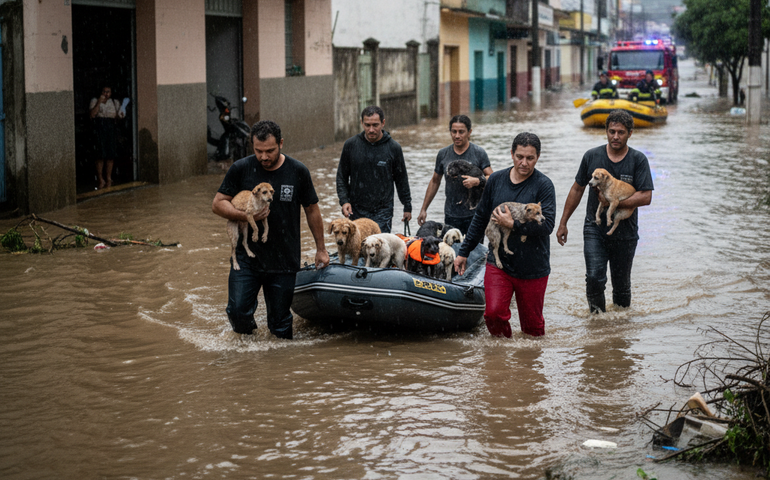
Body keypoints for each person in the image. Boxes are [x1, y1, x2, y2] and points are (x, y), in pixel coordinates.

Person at [212, 120, 329, 339]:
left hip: (284, 259)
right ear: (252, 145)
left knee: (280, 323)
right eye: (258, 151)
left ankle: (280, 368)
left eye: (270, 151)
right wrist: (246, 216)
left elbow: (312, 210)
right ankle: (250, 353)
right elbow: (218, 203)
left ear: (281, 144)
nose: (264, 157)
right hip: (248, 258)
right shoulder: (241, 168)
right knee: (238, 312)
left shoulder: (297, 171)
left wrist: (321, 248)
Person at [454, 132, 555, 338]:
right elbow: (481, 217)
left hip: (533, 267)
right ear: (511, 154)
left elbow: (548, 226)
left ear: (538, 157)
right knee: (493, 315)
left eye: (530, 158)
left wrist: (513, 224)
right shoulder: (496, 180)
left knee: (532, 329)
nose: (524, 163)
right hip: (500, 264)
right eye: (520, 157)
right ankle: (500, 363)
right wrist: (463, 252)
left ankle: (527, 367)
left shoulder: (544, 186)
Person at [556, 109, 653, 313]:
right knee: (594, 277)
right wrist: (563, 222)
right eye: (611, 131)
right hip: (595, 227)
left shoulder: (638, 160)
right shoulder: (592, 156)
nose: (615, 136)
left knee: (621, 285)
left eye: (620, 132)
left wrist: (613, 202)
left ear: (630, 133)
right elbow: (577, 188)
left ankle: (620, 329)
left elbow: (646, 196)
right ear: (606, 131)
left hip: (625, 232)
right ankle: (597, 323)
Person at [336, 105, 412, 233]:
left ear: (383, 123)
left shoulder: (393, 148)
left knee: (379, 247)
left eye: (375, 125)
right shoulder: (351, 145)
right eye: (367, 125)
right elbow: (341, 177)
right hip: (356, 209)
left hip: (383, 210)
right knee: (358, 247)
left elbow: (401, 180)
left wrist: (407, 206)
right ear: (361, 123)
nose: (371, 130)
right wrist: (344, 201)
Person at [416, 114, 493, 235]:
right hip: (451, 214)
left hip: (475, 213)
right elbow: (435, 181)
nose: (457, 136)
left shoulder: (479, 153)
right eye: (454, 131)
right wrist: (423, 209)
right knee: (453, 251)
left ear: (469, 132)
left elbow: (493, 178)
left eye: (461, 132)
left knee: (475, 252)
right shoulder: (443, 154)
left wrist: (477, 181)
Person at [89, 86, 124, 189]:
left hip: (110, 128)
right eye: (104, 91)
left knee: (110, 154)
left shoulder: (114, 102)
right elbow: (92, 114)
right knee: (100, 154)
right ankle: (100, 178)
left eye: (108, 92)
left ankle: (108, 177)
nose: (106, 94)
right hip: (99, 127)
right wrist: (99, 102)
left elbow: (119, 115)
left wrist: (121, 114)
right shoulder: (95, 101)